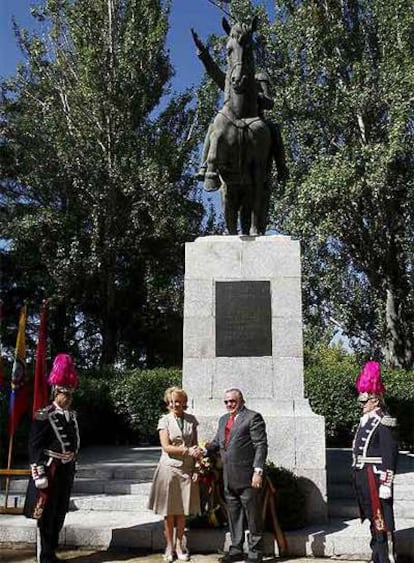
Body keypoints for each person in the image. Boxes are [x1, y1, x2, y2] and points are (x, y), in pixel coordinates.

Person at [191, 28, 288, 191]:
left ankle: (282, 168)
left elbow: (270, 103)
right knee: (213, 127)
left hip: (255, 117)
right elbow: (215, 74)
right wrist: (204, 54)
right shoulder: (231, 79)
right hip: (232, 117)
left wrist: (255, 96)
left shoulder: (260, 76)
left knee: (274, 129)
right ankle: (205, 166)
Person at [24, 353, 80, 563]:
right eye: (65, 394)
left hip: (66, 469)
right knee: (45, 513)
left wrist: (73, 461)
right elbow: (34, 446)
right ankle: (45, 555)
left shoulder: (72, 416)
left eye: (71, 394)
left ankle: (52, 551)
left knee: (59, 512)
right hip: (50, 468)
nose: (68, 398)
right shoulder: (43, 415)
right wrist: (38, 472)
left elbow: (74, 442)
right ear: (56, 393)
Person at [206, 388, 268, 563]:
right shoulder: (223, 419)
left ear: (241, 400)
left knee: (253, 515)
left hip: (248, 477)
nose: (229, 404)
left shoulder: (253, 417)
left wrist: (258, 471)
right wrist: (202, 450)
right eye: (226, 402)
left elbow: (260, 445)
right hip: (228, 477)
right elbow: (218, 443)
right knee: (233, 516)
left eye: (232, 401)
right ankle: (236, 549)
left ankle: (255, 552)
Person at [352, 361, 398, 563]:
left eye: (365, 400)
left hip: (377, 477)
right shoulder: (365, 421)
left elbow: (390, 454)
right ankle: (376, 555)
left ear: (375, 401)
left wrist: (386, 483)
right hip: (364, 474)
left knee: (383, 521)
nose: (361, 404)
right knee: (372, 518)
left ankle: (386, 558)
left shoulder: (383, 421)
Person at [148, 387, 202, 562]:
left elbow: (195, 446)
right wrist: (187, 451)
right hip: (169, 469)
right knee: (169, 511)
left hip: (186, 469)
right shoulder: (164, 421)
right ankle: (169, 546)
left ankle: (180, 545)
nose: (174, 405)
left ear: (184, 402)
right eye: (171, 402)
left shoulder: (192, 420)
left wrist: (197, 468)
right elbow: (166, 447)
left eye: (177, 401)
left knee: (182, 511)